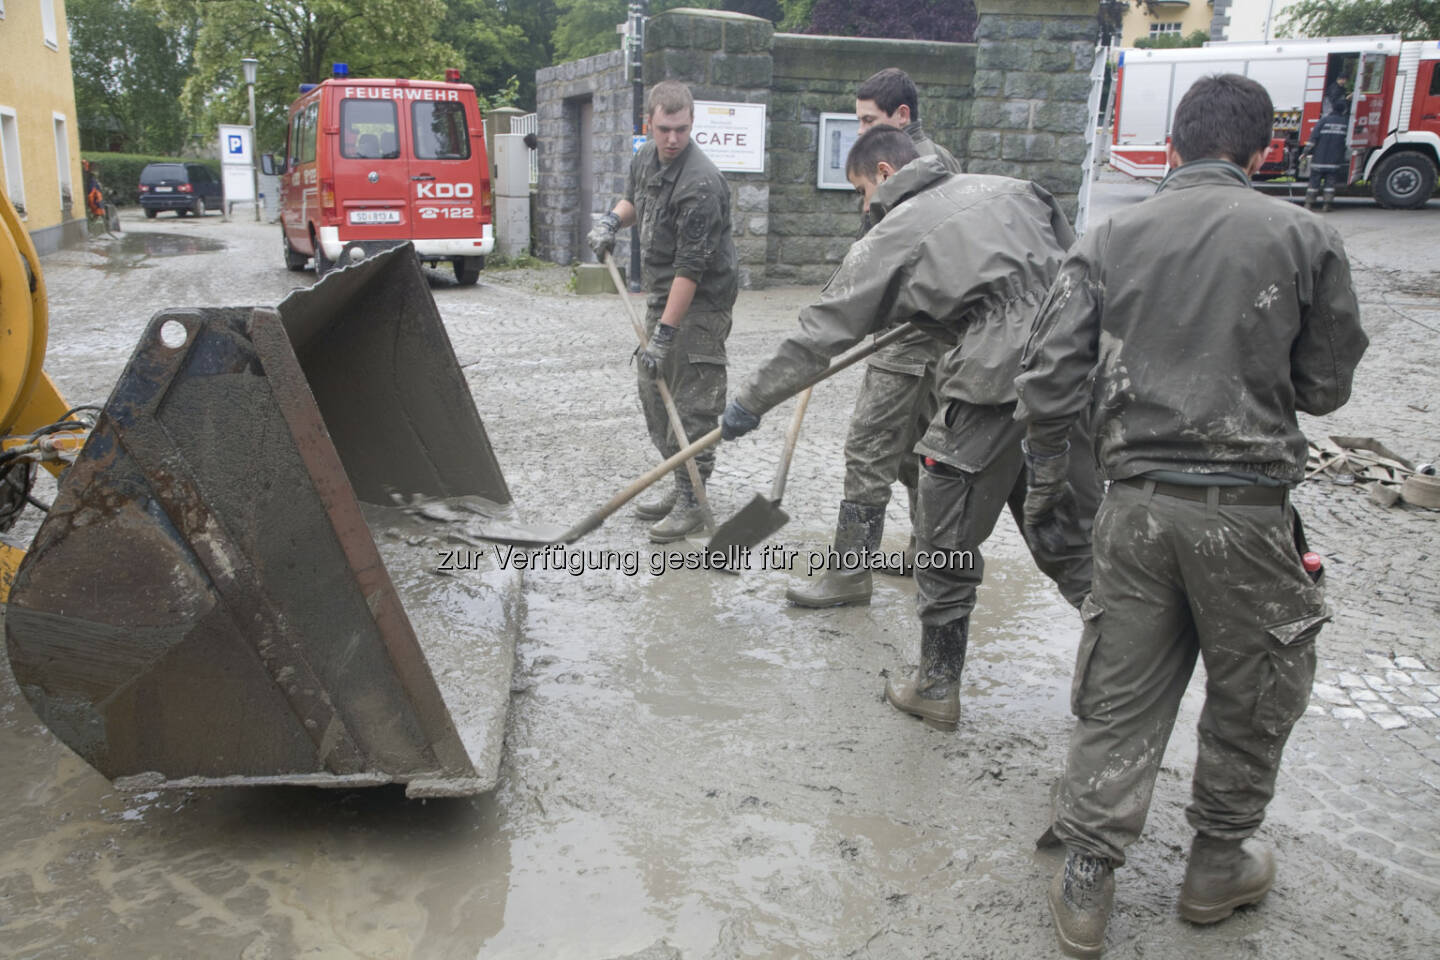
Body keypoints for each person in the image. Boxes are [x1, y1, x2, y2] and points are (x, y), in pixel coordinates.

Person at [1014, 74, 1367, 958]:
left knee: (1121, 686)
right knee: (1254, 692)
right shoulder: (1304, 236)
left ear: (1172, 146)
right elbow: (1325, 388)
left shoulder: (1109, 236)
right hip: (1246, 516)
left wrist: (1052, 483)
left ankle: (1089, 877)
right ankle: (1217, 864)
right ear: (1259, 152)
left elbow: (1048, 383)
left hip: (1133, 510)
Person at [722, 126, 1099, 731]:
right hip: (1078, 367)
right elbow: (1074, 261)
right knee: (1068, 530)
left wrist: (749, 401)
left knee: (943, 530)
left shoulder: (892, 233)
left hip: (996, 380)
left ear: (883, 172)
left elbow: (818, 332)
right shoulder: (1017, 189)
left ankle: (935, 685)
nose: (862, 207)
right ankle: (1114, 689)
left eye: (861, 192)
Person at [788, 68, 964, 608]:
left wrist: (835, 317)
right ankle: (923, 548)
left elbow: (894, 262)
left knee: (867, 450)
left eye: (870, 119)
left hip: (907, 341)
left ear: (902, 117)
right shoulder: (922, 163)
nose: (862, 130)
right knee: (917, 453)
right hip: (922, 338)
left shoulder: (923, 172)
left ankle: (849, 574)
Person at [587, 80, 739, 542]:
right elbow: (637, 199)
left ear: (691, 124)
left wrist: (665, 337)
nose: (673, 139)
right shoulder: (646, 158)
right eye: (664, 129)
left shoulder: (702, 185)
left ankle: (694, 500)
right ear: (648, 124)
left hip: (700, 304)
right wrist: (613, 220)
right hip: (662, 294)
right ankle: (680, 483)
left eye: (682, 129)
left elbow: (691, 271)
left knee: (690, 403)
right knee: (654, 395)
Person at [1303, 107, 1348, 212]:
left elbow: (1313, 138)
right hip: (1334, 161)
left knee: (1314, 183)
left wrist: (1305, 152)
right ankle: (1326, 205)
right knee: (1330, 184)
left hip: (1319, 160)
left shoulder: (1323, 121)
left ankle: (1308, 204)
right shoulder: (1344, 123)